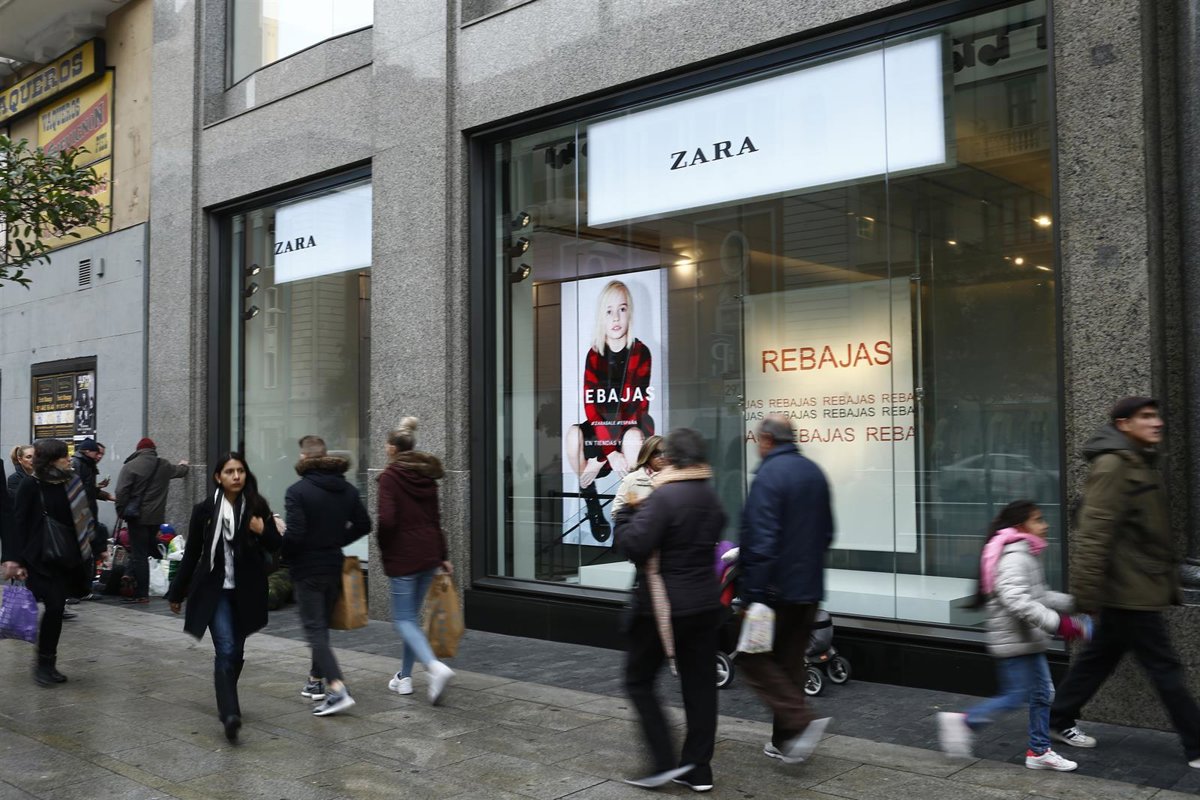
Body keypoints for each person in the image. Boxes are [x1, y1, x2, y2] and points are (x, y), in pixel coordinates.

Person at [1047, 397, 1200, 766]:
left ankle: (1056, 718)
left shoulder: (1138, 462)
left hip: (1134, 585)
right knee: (1164, 667)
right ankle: (1197, 744)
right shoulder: (1114, 465)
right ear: (1122, 424)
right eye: (1145, 416)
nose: (1157, 422)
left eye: (1156, 415)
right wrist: (1085, 595)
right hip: (1130, 589)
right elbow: (1094, 533)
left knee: (1099, 658)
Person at [612, 427, 725, 792]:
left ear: (672, 458)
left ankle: (662, 762)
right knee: (701, 688)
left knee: (638, 680)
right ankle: (698, 770)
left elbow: (635, 546)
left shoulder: (665, 497)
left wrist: (624, 518)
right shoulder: (710, 496)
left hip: (661, 608)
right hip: (705, 604)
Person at [938, 500, 1089, 771]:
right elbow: (1017, 600)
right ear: (1020, 526)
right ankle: (964, 722)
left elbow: (1039, 596)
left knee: (1042, 694)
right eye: (1038, 520)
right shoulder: (1015, 557)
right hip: (1015, 640)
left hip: (1026, 640)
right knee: (1017, 695)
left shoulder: (1025, 554)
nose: (1045, 525)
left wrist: (1077, 604)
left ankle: (1039, 751)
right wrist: (1060, 624)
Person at [738, 414, 834, 764]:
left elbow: (761, 542)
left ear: (767, 440)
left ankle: (800, 720)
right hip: (808, 588)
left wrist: (753, 595)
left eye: (757, 441)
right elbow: (827, 533)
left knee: (752, 658)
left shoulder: (768, 476)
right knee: (790, 662)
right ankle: (786, 742)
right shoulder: (814, 472)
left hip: (774, 591)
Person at [166, 453, 281, 743]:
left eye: (240, 470)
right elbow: (192, 553)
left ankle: (226, 692)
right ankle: (230, 713)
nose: (236, 476)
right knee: (226, 648)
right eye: (230, 471)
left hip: (246, 591)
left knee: (236, 652)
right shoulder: (204, 511)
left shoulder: (257, 507)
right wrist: (177, 591)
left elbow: (278, 546)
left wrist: (262, 530)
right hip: (214, 590)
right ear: (218, 477)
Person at [283, 435, 371, 717]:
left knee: (315, 630)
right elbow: (364, 524)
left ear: (304, 457)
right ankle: (315, 681)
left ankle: (337, 687)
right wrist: (336, 540)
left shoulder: (297, 491)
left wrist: (279, 539)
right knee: (320, 627)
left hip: (307, 568)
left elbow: (296, 535)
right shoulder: (347, 489)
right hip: (334, 565)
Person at [565, 280, 655, 542]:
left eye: (622, 309)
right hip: (601, 428)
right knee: (572, 436)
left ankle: (631, 514)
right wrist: (608, 452)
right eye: (609, 311)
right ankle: (591, 500)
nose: (616, 317)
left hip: (631, 424)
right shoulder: (594, 354)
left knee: (633, 439)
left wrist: (605, 455)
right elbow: (591, 407)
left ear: (630, 313)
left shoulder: (641, 352)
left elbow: (637, 406)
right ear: (601, 317)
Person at [376, 417, 455, 705]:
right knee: (411, 618)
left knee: (403, 620)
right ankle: (404, 678)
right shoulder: (426, 476)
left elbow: (387, 520)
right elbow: (436, 520)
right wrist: (443, 556)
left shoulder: (389, 477)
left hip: (404, 555)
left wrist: (385, 546)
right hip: (428, 554)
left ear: (391, 448)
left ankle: (434, 667)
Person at [8, 439, 95, 686]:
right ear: (50, 460)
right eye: (63, 456)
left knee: (56, 610)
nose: (68, 460)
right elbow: (19, 523)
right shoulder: (31, 484)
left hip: (68, 556)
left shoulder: (72, 481)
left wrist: (96, 546)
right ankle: (44, 665)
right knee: (55, 606)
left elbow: (86, 514)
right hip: (41, 558)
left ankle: (48, 663)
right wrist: (17, 560)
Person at [115, 437, 188, 604]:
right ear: (153, 449)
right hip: (156, 518)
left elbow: (121, 491)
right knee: (145, 548)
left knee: (139, 553)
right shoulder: (164, 465)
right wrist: (184, 465)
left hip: (137, 517)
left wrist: (121, 511)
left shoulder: (130, 466)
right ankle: (130, 573)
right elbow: (180, 471)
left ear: (138, 449)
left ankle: (141, 594)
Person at [611, 434, 665, 515]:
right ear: (647, 454)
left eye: (666, 452)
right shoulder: (631, 480)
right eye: (656, 453)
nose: (662, 457)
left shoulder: (676, 480)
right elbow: (616, 513)